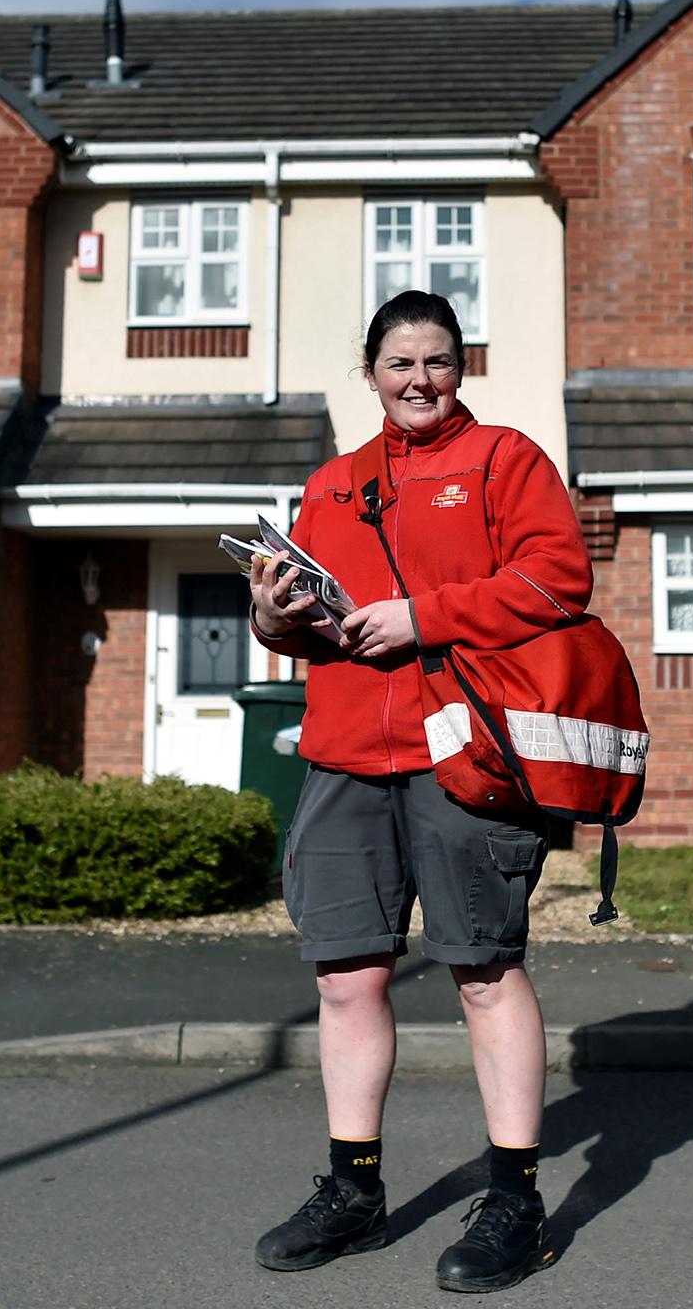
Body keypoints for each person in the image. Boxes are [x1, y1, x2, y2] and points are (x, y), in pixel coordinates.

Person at [248, 290, 593, 1293]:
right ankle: (353, 1193)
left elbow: (554, 580)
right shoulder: (328, 484)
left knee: (481, 970)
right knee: (345, 978)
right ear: (371, 374)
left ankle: (515, 1203)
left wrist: (422, 617)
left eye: (436, 361)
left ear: (460, 367)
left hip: (466, 756)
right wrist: (274, 618)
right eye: (399, 364)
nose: (418, 380)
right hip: (344, 751)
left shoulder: (505, 461)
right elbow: (304, 633)